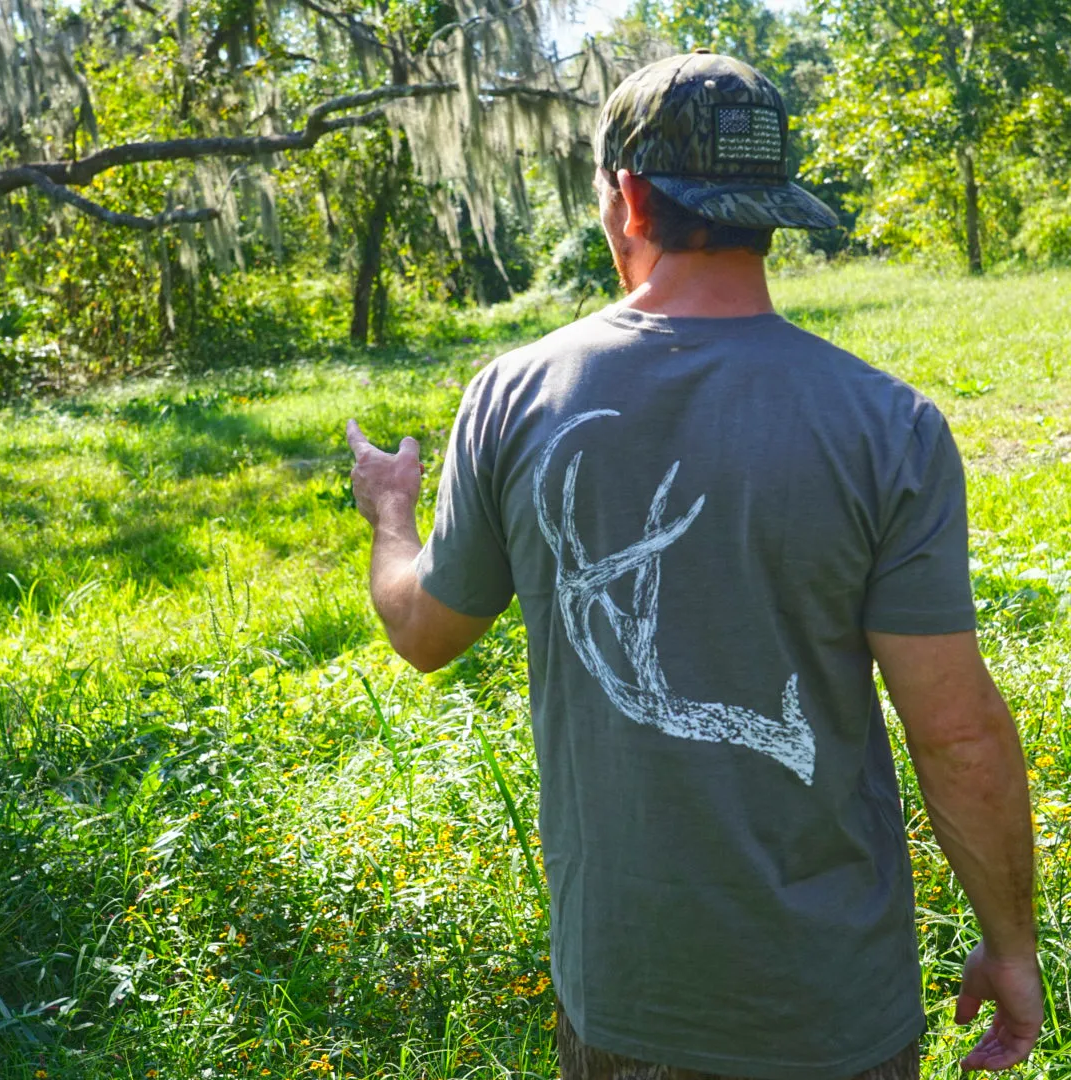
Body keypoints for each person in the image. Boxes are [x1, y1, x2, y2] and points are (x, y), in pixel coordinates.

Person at [344, 51, 1042, 1080]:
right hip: (835, 1008)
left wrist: (391, 515)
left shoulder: (513, 395)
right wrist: (1012, 946)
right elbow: (958, 733)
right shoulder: (890, 425)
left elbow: (424, 634)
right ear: (772, 210)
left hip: (631, 997)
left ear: (628, 197)